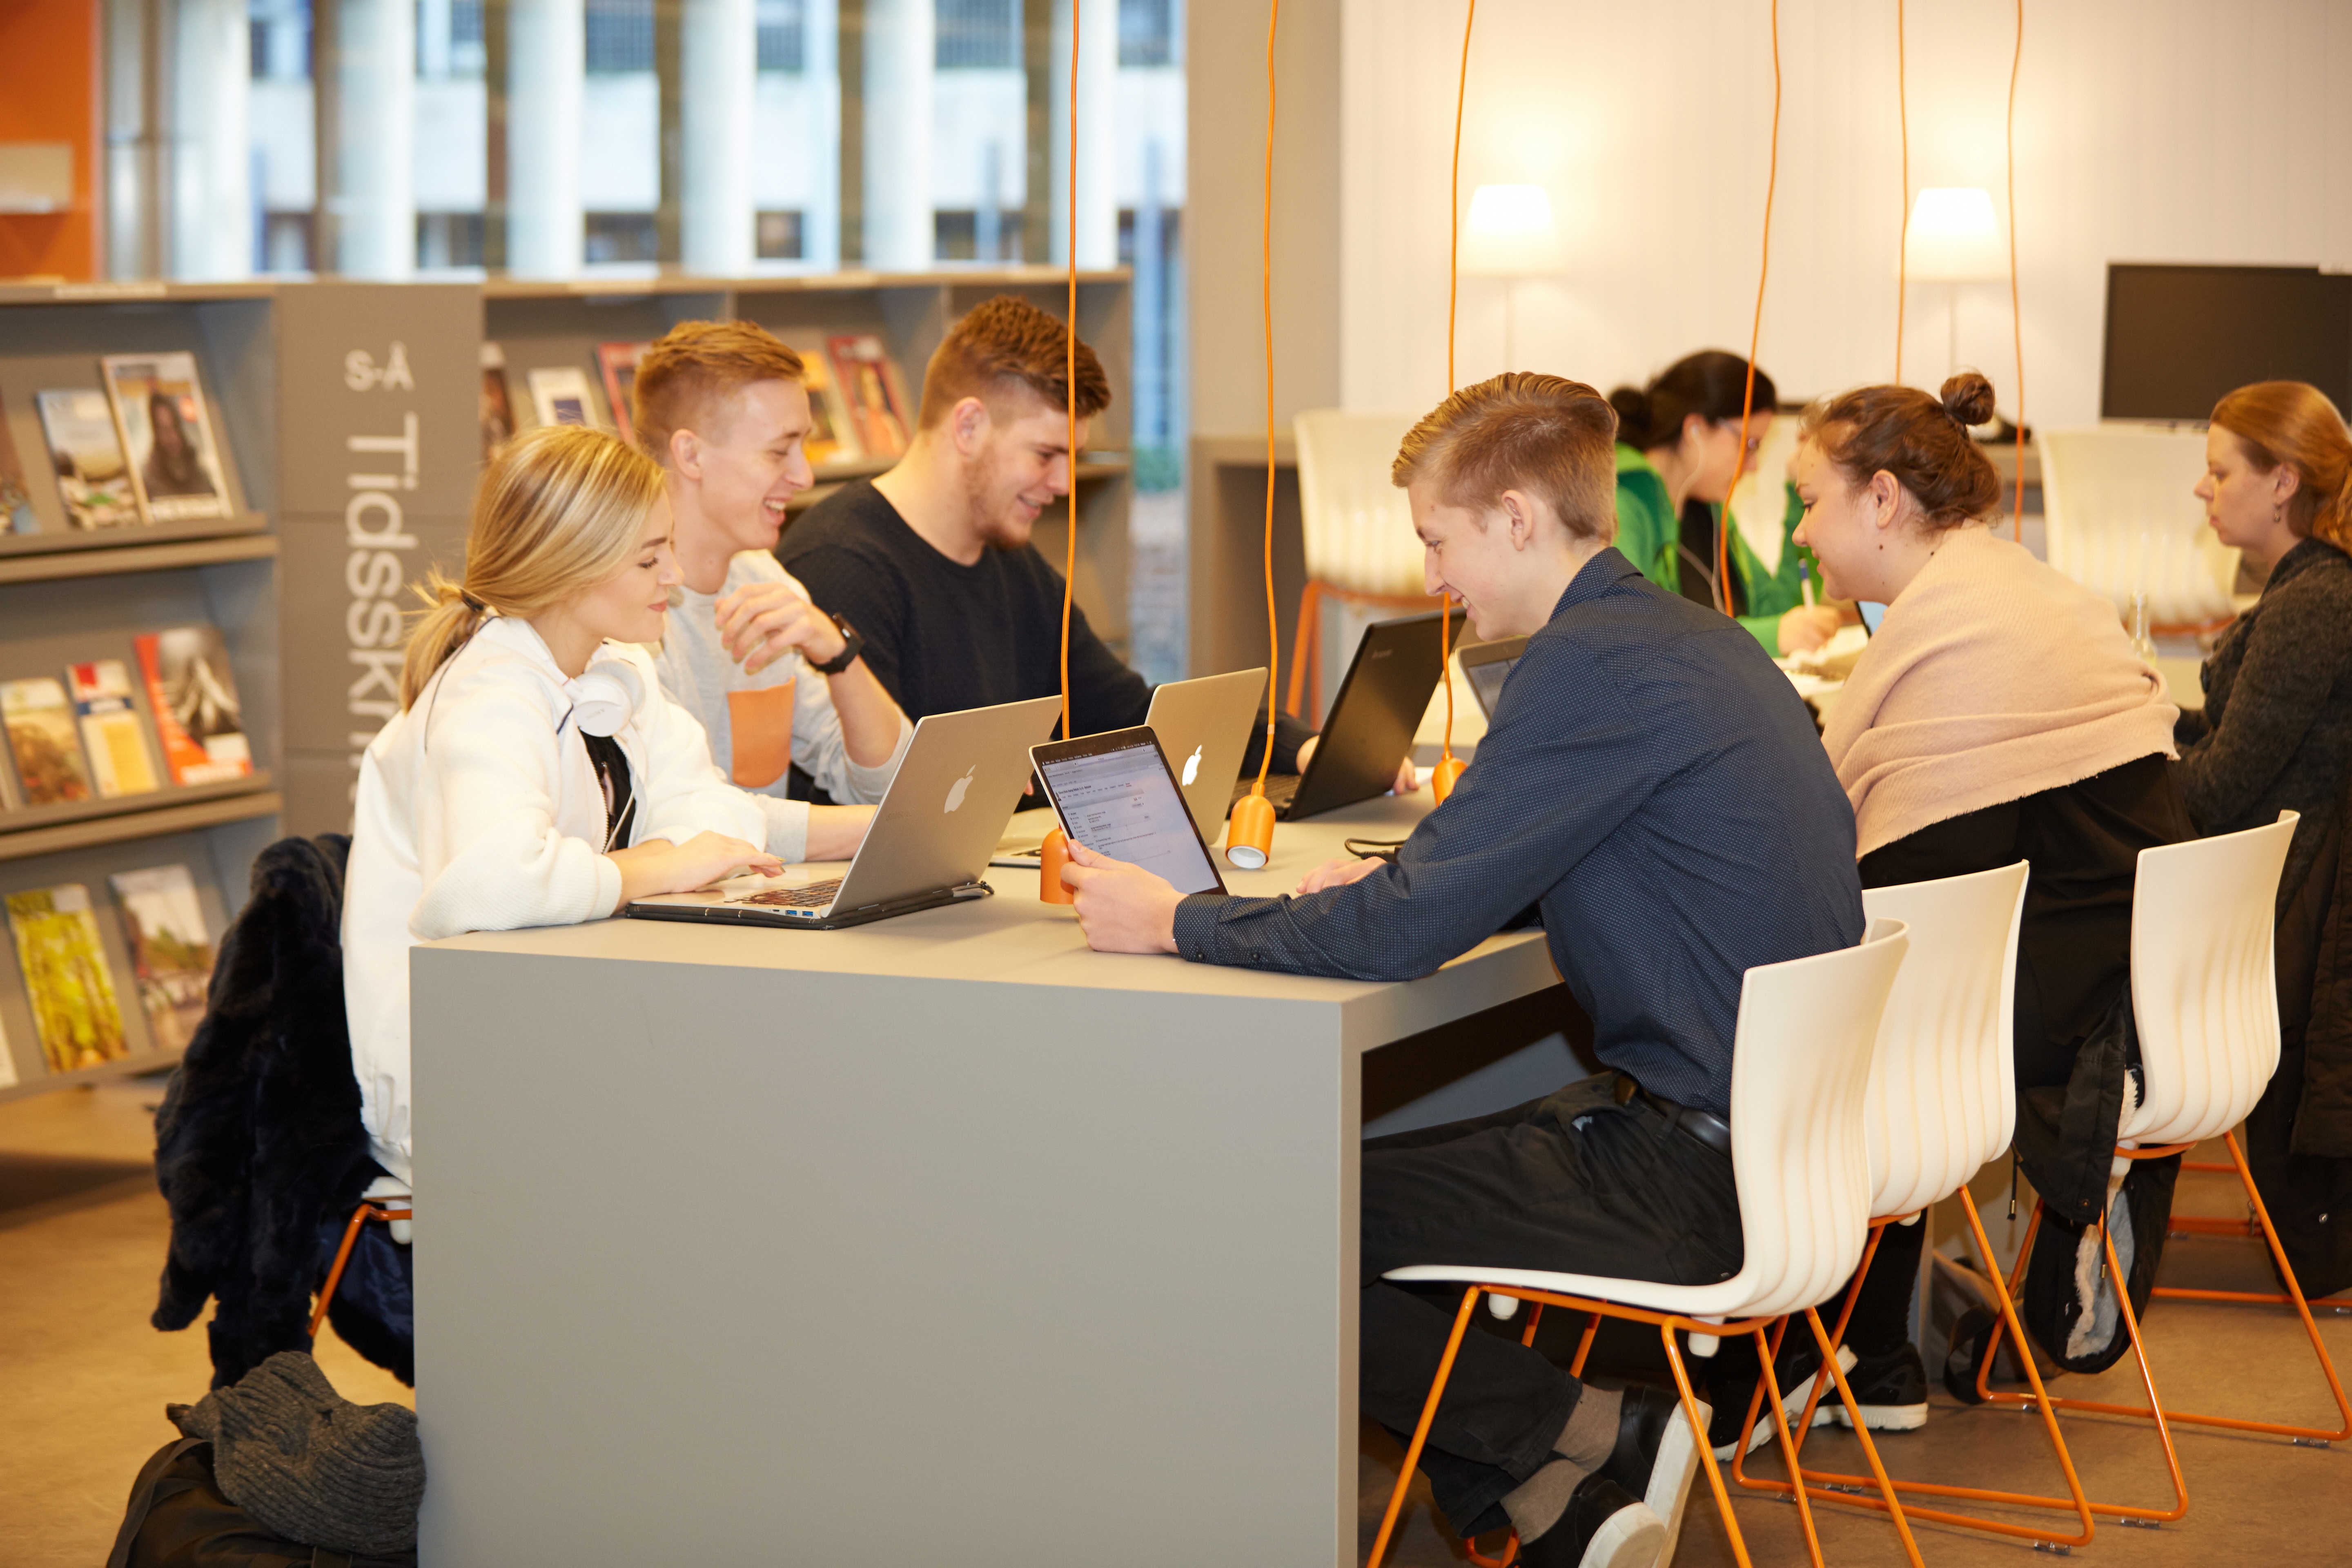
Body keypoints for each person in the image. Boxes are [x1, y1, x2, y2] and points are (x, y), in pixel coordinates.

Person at [1055, 372, 1865, 1566]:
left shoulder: (1584, 667)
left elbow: (1398, 937)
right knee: (1361, 1171)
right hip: (1785, 1136)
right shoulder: (1678, 635)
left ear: (1519, 518)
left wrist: (1177, 918)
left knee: (1275, 1206)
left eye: (1440, 539)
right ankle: (1560, 1474)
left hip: (1699, 1163)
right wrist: (1429, 878)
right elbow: (1612, 849)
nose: (1433, 577)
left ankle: (1573, 1436)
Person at [1781, 370, 2190, 1426]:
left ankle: (1801, 1355)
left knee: (1799, 1019)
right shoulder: (2008, 585)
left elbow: (1880, 887)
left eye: (1808, 501)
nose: (1797, 535)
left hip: (2076, 1009)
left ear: (1881, 499)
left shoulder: (1953, 627)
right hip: (2130, 974)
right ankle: (1873, 1354)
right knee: (1867, 992)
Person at [343, 425, 879, 1185]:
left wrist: (686, 852)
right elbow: (491, 884)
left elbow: (708, 813)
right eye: (649, 558)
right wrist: (655, 864)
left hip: (553, 1025)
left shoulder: (614, 664)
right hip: (456, 1082)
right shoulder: (486, 698)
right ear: (570, 567)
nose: (680, 573)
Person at [780, 295, 1327, 783]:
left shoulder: (1013, 566)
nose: (1064, 485)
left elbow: (1133, 718)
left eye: (1074, 459)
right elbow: (866, 793)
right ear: (968, 427)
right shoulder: (839, 567)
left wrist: (1298, 746)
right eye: (1046, 455)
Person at [2176, 381, 2352, 1299]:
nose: (2203, 492)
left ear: (2281, 483)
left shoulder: (2313, 605)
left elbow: (2219, 789)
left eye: (2218, 472)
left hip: (2278, 910)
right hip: (2283, 892)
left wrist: (2128, 747)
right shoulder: (2308, 593)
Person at [630, 320, 915, 810]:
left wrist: (838, 653)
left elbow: (888, 786)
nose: (804, 476)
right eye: (779, 452)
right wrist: (896, 827)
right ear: (691, 454)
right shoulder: (626, 609)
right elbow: (686, 815)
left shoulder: (765, 581)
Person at [1608, 352, 1843, 657]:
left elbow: (1777, 609)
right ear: (1695, 430)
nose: (1754, 465)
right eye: (1748, 444)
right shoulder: (1621, 504)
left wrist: (1804, 495)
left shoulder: (1709, 509)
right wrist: (1773, 637)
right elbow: (1637, 633)